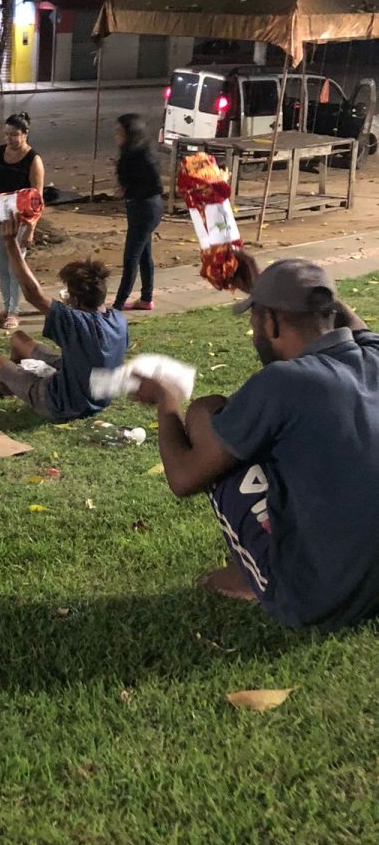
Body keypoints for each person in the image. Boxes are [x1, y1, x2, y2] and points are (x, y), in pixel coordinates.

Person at [136, 253, 379, 631]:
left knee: (210, 421)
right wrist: (271, 287)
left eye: (255, 318)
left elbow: (183, 478)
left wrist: (166, 401)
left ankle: (254, 576)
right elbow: (344, 317)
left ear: (270, 322)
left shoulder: (285, 382)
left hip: (314, 600)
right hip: (373, 593)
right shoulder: (374, 353)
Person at [0, 216, 128, 420]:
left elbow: (33, 294)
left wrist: (11, 243)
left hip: (61, 404)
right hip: (92, 391)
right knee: (18, 339)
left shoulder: (76, 322)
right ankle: (14, 383)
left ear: (75, 300)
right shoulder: (118, 319)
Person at [0, 111, 44, 332]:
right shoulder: (0, 153)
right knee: (1, 266)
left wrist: (30, 228)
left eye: (14, 135)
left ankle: (14, 311)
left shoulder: (33, 160)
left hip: (20, 221)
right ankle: (6, 305)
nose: (9, 139)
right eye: (7, 134)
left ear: (25, 134)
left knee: (15, 268)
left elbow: (37, 199)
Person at [112, 113, 163, 311]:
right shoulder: (131, 153)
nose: (116, 135)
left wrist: (127, 190)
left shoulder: (142, 155)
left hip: (146, 209)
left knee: (131, 256)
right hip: (139, 208)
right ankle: (146, 298)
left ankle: (117, 304)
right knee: (143, 254)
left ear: (130, 134)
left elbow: (154, 186)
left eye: (120, 132)